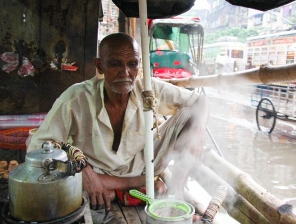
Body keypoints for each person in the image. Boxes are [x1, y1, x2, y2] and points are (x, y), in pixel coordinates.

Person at [27, 33, 209, 221]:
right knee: (66, 181)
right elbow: (37, 146)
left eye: (132, 64)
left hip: (141, 166)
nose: (125, 73)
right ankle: (134, 186)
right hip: (97, 174)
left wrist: (198, 132)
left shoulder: (148, 88)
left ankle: (174, 196)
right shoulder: (76, 98)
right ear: (99, 66)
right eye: (115, 64)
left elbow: (200, 101)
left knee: (190, 115)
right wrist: (84, 170)